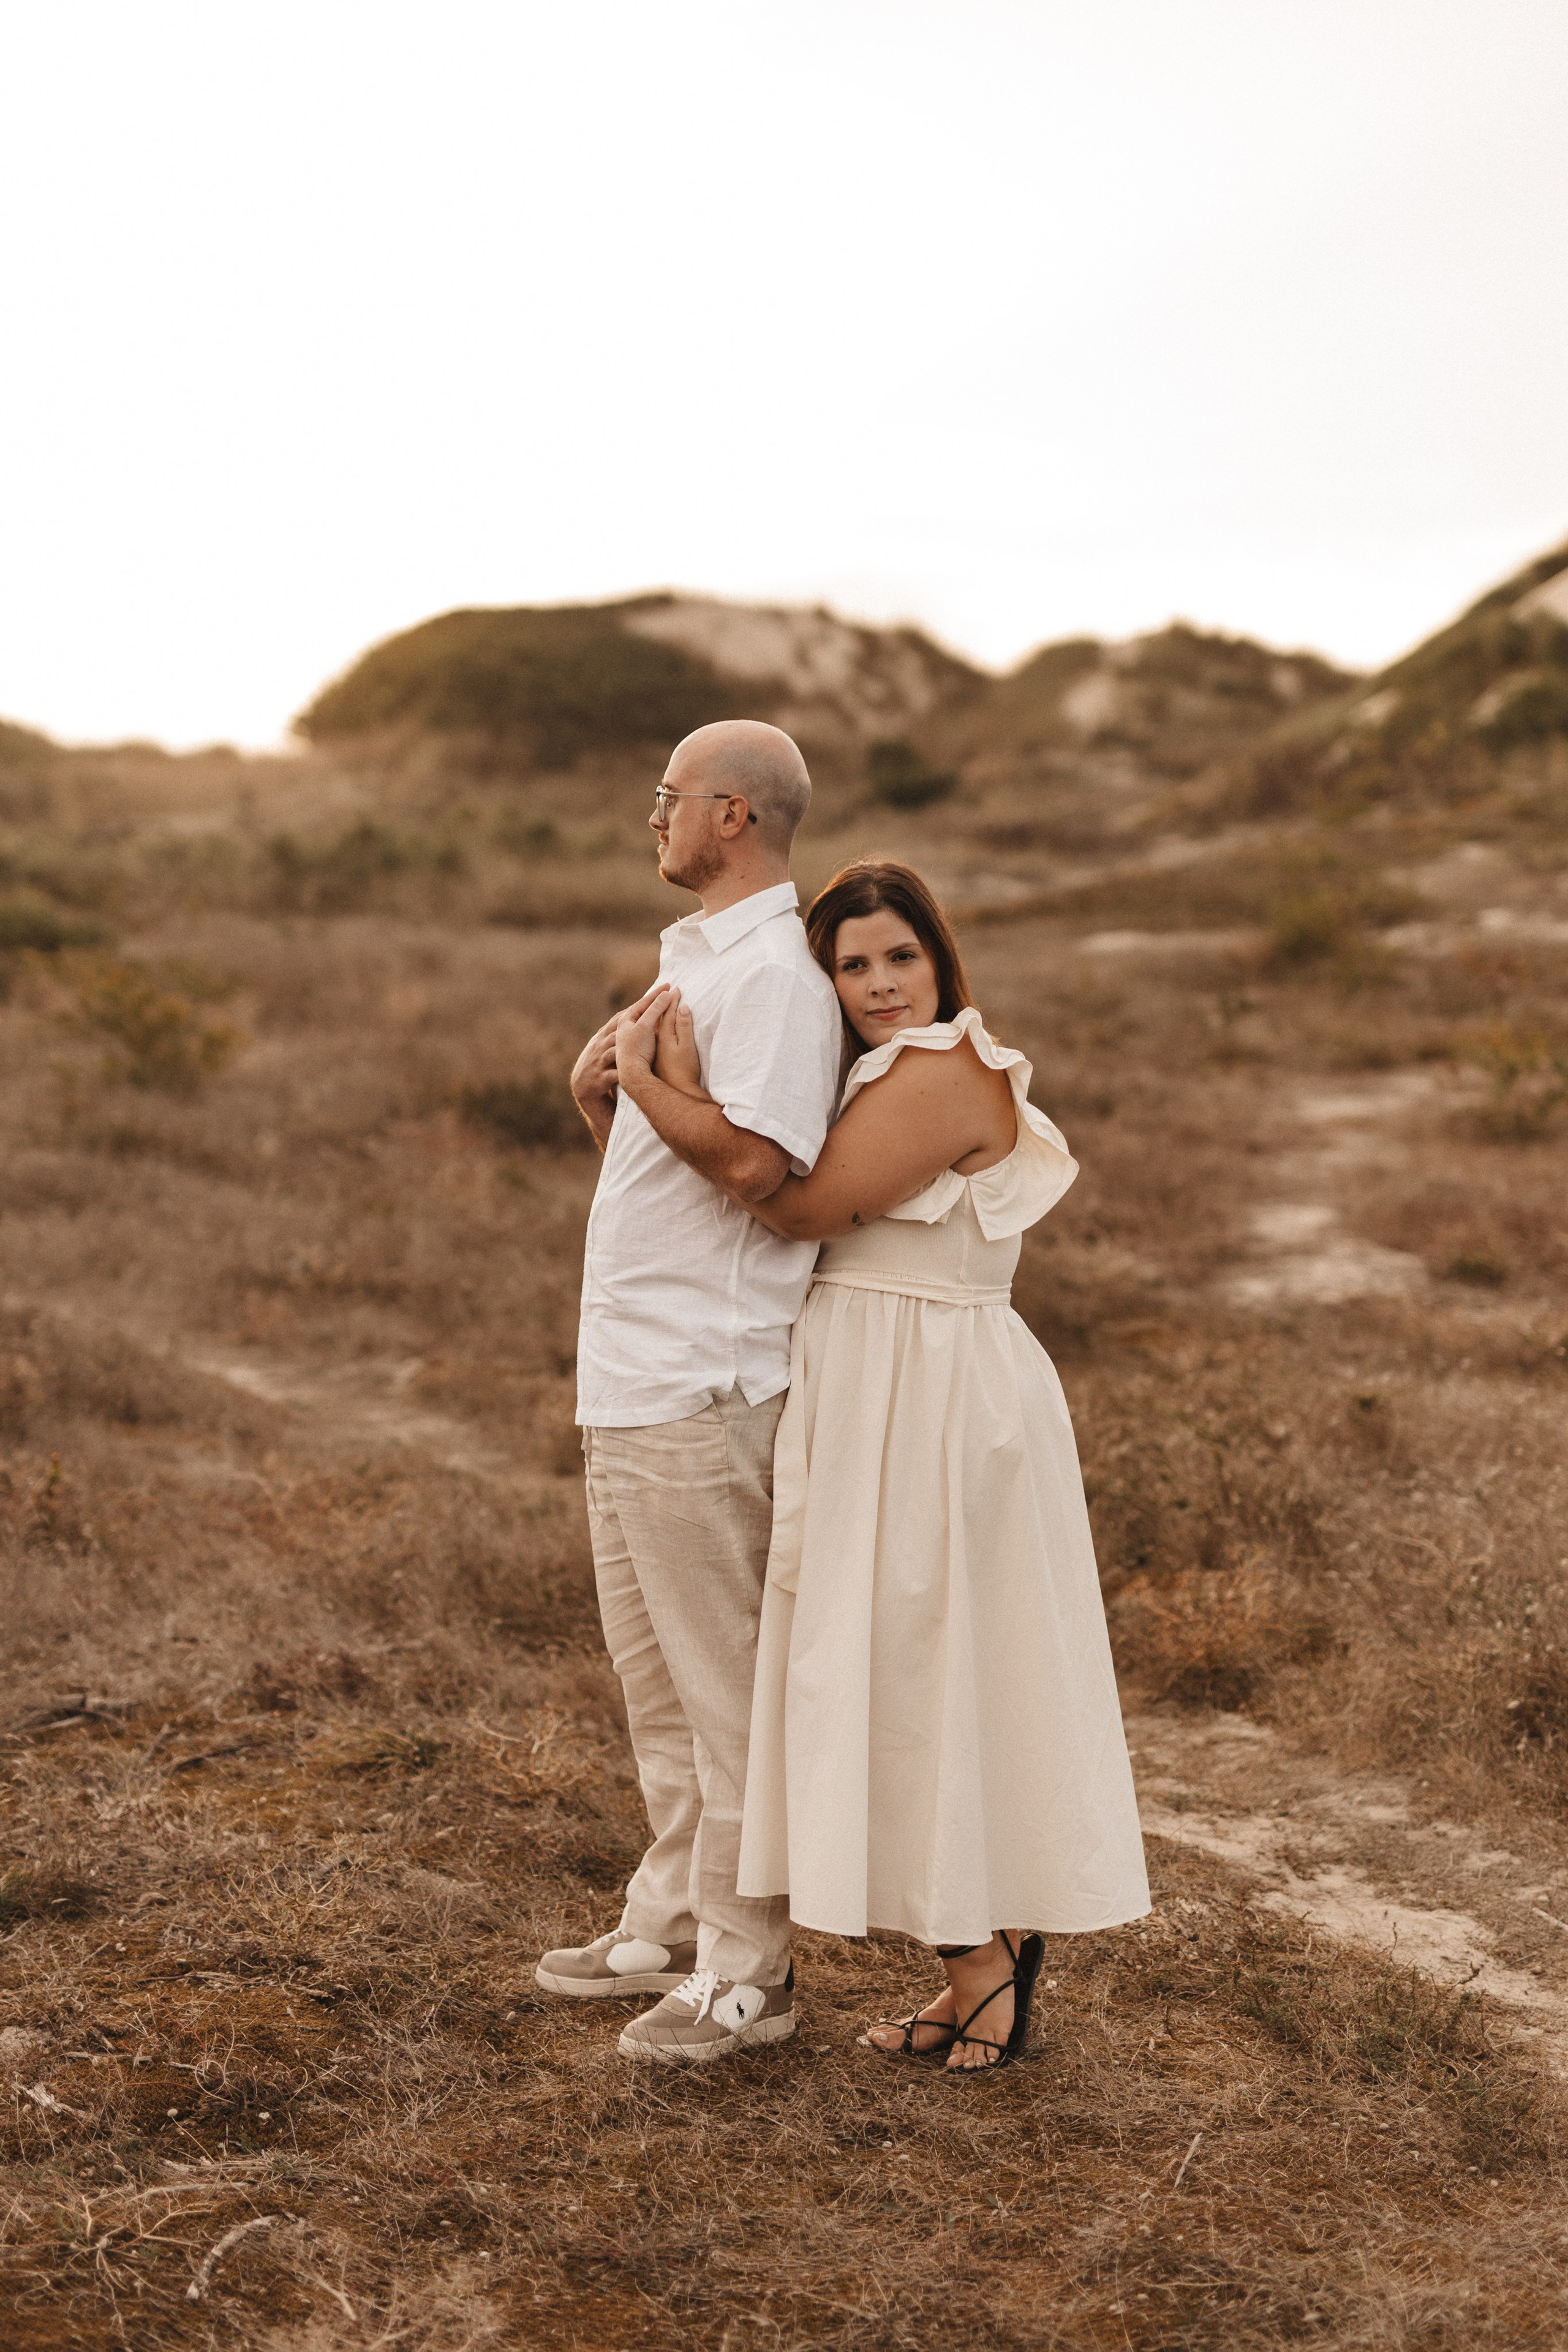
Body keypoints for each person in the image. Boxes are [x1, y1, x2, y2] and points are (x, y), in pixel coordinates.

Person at [631, 858, 1149, 2072]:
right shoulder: (876, 1072)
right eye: (849, 964)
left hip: (931, 1398)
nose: (874, 983)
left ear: (938, 960)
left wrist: (666, 1091)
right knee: (910, 1672)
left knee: (913, 1671)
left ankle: (981, 1970)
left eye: (896, 958)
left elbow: (802, 1208)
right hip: (876, 1392)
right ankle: (979, 1957)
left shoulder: (941, 1070)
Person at [535, 720, 842, 2067]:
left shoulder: (772, 977)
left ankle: (749, 1974)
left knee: (722, 1697)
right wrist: (606, 1105)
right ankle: (663, 1924)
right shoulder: (696, 961)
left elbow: (761, 1172)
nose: (646, 817)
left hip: (698, 1384)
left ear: (729, 815)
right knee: (653, 1689)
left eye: (665, 798)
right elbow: (672, 1166)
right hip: (628, 1376)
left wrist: (654, 1094)